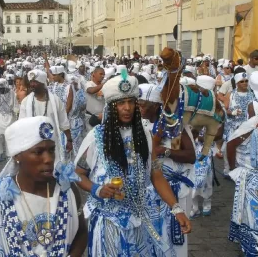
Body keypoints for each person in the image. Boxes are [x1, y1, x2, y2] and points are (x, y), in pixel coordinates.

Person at [74, 73, 191, 256]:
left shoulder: (144, 135)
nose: (127, 108)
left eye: (131, 102)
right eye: (121, 103)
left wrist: (176, 209)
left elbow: (156, 175)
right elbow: (77, 174)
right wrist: (97, 189)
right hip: (108, 224)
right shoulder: (96, 137)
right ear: (111, 107)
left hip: (139, 221)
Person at [0, 116, 88, 256]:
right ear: (17, 156)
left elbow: (80, 232)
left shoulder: (68, 192)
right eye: (38, 152)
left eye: (51, 150)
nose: (49, 159)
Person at [138, 83, 196, 257]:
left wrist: (166, 151)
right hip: (151, 191)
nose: (139, 108)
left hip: (174, 190)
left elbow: (191, 156)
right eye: (138, 104)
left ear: (155, 106)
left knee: (174, 237)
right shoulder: (141, 124)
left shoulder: (174, 125)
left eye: (142, 105)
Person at [226, 86, 258, 256]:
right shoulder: (253, 124)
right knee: (253, 221)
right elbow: (231, 144)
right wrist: (233, 169)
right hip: (253, 181)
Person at [19, 69, 73, 157]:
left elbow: (64, 123)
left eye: (35, 82)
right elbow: (22, 124)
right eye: (31, 82)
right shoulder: (26, 102)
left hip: (52, 143)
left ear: (43, 83)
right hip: (33, 144)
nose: (32, 84)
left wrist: (69, 140)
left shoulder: (55, 101)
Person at [223, 72, 254, 177]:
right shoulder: (231, 94)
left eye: (246, 81)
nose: (245, 83)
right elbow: (224, 109)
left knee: (245, 151)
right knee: (228, 149)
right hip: (233, 127)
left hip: (248, 127)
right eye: (242, 81)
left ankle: (242, 173)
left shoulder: (252, 94)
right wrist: (232, 112)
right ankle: (230, 171)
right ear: (237, 83)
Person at [85, 67, 105, 132]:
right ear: (94, 74)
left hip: (102, 117)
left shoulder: (104, 86)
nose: (102, 76)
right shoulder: (88, 84)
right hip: (91, 117)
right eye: (101, 74)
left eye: (104, 74)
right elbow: (91, 91)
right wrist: (104, 84)